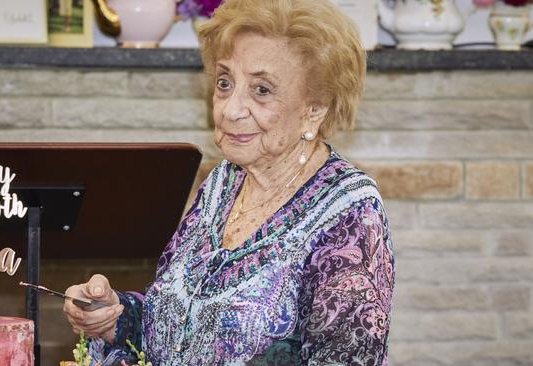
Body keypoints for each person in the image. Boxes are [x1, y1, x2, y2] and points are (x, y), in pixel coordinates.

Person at [63, 0, 395, 364]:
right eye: (225, 83)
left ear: (314, 109)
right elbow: (180, 329)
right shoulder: (221, 183)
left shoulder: (349, 211)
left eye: (261, 90)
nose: (230, 109)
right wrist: (115, 316)